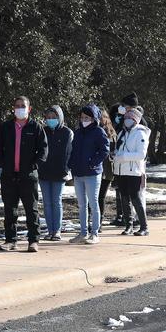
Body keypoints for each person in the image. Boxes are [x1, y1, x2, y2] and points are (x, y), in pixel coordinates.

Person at [0, 96, 48, 253]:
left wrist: (34, 165)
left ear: (29, 109)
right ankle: (10, 240)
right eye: (17, 105)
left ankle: (33, 240)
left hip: (28, 176)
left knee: (31, 209)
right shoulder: (6, 127)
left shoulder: (36, 127)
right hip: (9, 175)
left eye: (22, 106)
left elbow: (43, 150)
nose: (19, 108)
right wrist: (2, 163)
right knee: (9, 210)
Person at [68, 104, 110, 245]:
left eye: (87, 117)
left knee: (93, 203)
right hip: (78, 173)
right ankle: (83, 233)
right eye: (82, 117)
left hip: (92, 173)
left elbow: (105, 150)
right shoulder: (78, 132)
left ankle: (95, 233)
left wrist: (93, 162)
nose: (84, 120)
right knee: (81, 204)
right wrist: (70, 165)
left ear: (94, 118)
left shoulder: (99, 132)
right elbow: (73, 152)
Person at [38, 105, 73, 242]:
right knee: (47, 202)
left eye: (54, 117)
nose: (51, 120)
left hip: (59, 172)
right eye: (48, 118)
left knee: (56, 201)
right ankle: (50, 229)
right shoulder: (42, 131)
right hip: (44, 172)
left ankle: (57, 230)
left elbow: (70, 153)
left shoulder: (67, 132)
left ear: (60, 118)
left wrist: (66, 169)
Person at [114, 107, 150, 235]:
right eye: (126, 118)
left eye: (130, 118)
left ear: (136, 120)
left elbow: (141, 154)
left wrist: (123, 157)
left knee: (136, 199)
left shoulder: (140, 133)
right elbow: (118, 148)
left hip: (133, 171)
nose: (127, 120)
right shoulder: (122, 133)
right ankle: (128, 225)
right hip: (121, 171)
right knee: (124, 199)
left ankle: (144, 227)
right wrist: (115, 155)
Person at [97, 110, 118, 231]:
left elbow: (112, 152)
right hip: (99, 169)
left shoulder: (111, 133)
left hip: (106, 170)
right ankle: (95, 221)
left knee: (100, 197)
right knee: (95, 197)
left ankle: (98, 222)